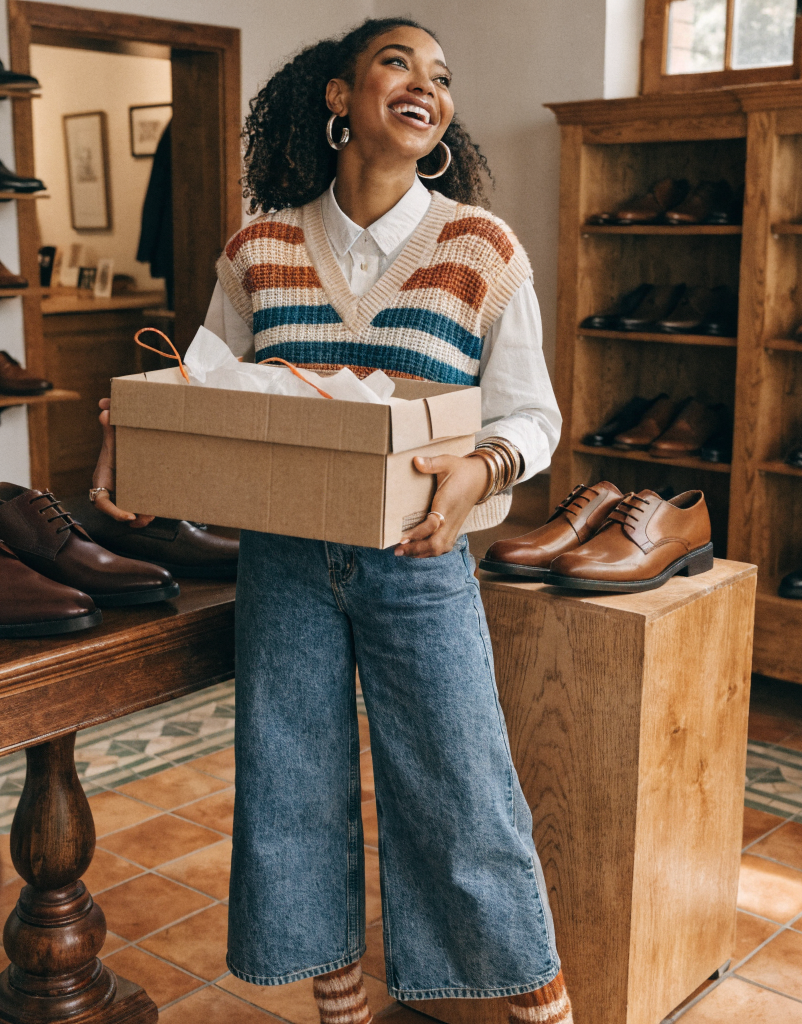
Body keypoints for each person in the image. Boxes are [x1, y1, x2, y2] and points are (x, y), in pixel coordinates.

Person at [92, 17, 569, 1024]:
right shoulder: (258, 247)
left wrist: (483, 465)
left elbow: (533, 418)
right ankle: (340, 1014)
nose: (426, 84)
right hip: (282, 563)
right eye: (398, 62)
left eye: (442, 75)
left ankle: (544, 1012)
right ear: (338, 97)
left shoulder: (480, 247)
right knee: (292, 792)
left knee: (465, 797)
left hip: (420, 558)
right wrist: (138, 432)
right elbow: (205, 390)